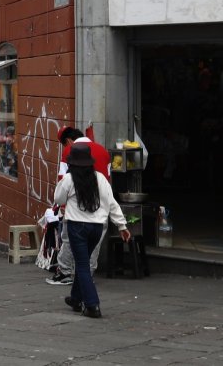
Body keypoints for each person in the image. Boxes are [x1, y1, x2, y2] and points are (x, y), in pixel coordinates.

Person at [53, 145, 130, 319]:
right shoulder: (101, 178)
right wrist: (122, 226)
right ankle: (75, 298)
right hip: (97, 228)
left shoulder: (69, 179)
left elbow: (58, 198)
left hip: (77, 227)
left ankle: (92, 305)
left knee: (82, 265)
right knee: (84, 261)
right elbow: (112, 203)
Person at [49, 127, 113, 285]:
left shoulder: (70, 151)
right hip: (100, 207)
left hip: (76, 207)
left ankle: (64, 272)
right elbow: (109, 180)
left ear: (68, 141)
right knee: (94, 243)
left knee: (69, 239)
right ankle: (87, 275)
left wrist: (61, 206)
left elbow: (62, 179)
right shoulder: (104, 152)